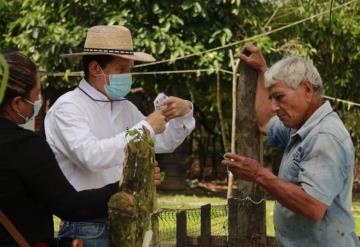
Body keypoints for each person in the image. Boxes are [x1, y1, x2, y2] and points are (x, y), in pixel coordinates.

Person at [44, 25, 195, 246]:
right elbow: (91, 156)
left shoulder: (124, 106)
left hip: (128, 218)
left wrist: (184, 112)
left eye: (130, 69)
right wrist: (145, 127)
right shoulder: (68, 107)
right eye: (122, 69)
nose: (128, 76)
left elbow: (162, 142)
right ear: (96, 68)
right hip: (88, 225)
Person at [222, 44, 359, 246]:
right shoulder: (300, 126)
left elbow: (313, 206)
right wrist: (262, 71)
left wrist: (259, 174)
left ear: (307, 89)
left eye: (279, 97)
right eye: (272, 98)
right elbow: (264, 122)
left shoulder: (325, 136)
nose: (274, 106)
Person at [0, 51, 125, 247]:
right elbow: (72, 206)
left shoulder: (124, 106)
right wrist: (123, 187)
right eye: (37, 94)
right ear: (16, 103)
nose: (39, 100)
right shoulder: (25, 146)